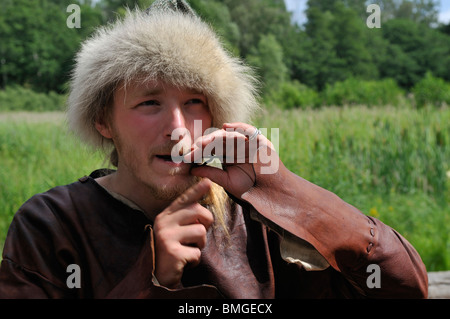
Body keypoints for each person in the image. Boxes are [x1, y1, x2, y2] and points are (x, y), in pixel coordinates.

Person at [0, 0, 428, 299]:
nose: (177, 127)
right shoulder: (52, 223)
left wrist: (284, 190)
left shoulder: (257, 217)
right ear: (103, 120)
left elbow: (404, 289)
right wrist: (150, 279)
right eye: (149, 103)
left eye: (195, 102)